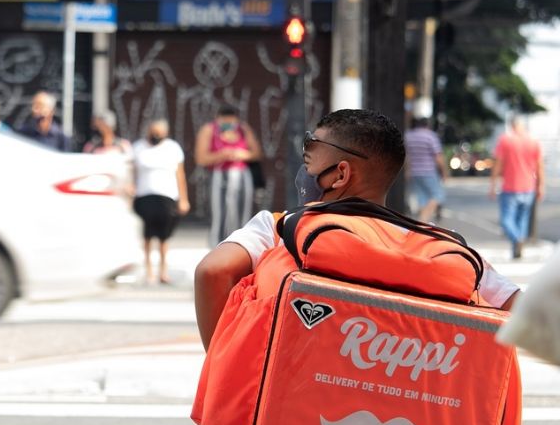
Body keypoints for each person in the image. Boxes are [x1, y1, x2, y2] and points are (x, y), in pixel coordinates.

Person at [194, 109, 521, 349]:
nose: (303, 169)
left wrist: (220, 362)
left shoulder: (279, 227)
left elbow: (212, 271)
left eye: (310, 158)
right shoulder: (442, 246)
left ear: (340, 175)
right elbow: (519, 309)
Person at [195, 105, 263, 247]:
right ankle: (218, 248)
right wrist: (221, 155)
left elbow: (256, 153)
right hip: (220, 176)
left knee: (243, 216)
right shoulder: (209, 130)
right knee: (220, 216)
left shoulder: (243, 129)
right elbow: (201, 158)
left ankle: (242, 247)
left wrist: (243, 154)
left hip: (242, 176)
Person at [132, 118, 190, 284]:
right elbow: (132, 172)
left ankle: (163, 271)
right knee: (147, 235)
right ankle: (149, 270)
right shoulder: (138, 148)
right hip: (144, 196)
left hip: (167, 197)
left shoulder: (173, 148)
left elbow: (180, 175)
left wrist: (183, 199)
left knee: (164, 236)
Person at [489, 116, 544, 259]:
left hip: (510, 187)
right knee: (522, 220)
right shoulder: (534, 141)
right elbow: (539, 166)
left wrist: (493, 184)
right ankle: (517, 246)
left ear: (512, 126)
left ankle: (516, 240)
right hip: (528, 187)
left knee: (506, 220)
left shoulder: (505, 140)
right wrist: (541, 186)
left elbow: (498, 164)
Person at [404, 116, 446, 222]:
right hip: (428, 172)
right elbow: (438, 157)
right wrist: (444, 172)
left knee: (422, 198)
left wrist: (407, 171)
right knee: (438, 196)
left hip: (414, 172)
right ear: (427, 125)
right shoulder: (430, 136)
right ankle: (423, 220)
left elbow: (406, 156)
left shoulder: (408, 136)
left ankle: (423, 222)